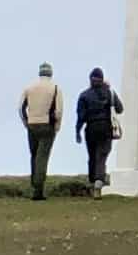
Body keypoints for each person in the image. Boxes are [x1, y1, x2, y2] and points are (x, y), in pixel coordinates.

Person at [19, 61, 64, 201]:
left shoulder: (29, 88)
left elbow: (20, 108)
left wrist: (26, 122)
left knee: (34, 155)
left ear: (40, 73)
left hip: (32, 124)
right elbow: (58, 111)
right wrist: (57, 126)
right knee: (42, 157)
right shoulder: (55, 88)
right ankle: (38, 189)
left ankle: (34, 184)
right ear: (50, 73)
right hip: (47, 125)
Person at [75, 62, 119, 192]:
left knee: (92, 155)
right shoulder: (109, 93)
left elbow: (81, 116)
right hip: (106, 127)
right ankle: (99, 182)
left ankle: (92, 181)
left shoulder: (84, 95)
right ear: (102, 79)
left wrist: (77, 132)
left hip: (91, 128)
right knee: (102, 155)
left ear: (90, 79)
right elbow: (120, 108)